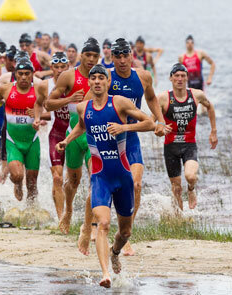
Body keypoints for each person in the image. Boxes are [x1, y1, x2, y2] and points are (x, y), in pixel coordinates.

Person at [56, 64, 155, 288]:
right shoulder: (83, 107)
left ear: (108, 82)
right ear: (90, 83)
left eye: (102, 78)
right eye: (94, 78)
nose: (98, 81)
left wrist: (124, 129)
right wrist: (67, 140)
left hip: (123, 177)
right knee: (103, 223)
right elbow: (81, 127)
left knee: (125, 231)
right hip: (100, 177)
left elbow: (149, 123)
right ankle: (105, 274)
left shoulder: (119, 102)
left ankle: (115, 252)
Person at [82, 38, 168, 256]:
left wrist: (159, 121)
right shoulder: (106, 77)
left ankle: (125, 233)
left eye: (125, 56)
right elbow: (87, 105)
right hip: (106, 142)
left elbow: (151, 98)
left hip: (130, 139)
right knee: (99, 184)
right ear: (111, 57)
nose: (121, 61)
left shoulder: (143, 76)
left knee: (136, 184)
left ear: (131, 56)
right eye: (116, 56)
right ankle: (89, 227)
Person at [45, 37, 101, 236]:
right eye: (88, 55)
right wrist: (69, 99)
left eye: (95, 56)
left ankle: (92, 226)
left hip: (95, 137)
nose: (91, 59)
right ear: (81, 55)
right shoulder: (69, 77)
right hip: (74, 137)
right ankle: (68, 210)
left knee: (96, 180)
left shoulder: (103, 77)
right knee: (73, 183)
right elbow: (48, 105)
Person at [155, 63, 217, 211]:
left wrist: (213, 130)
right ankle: (179, 217)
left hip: (189, 145)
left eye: (183, 76)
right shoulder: (163, 98)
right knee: (176, 188)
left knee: (190, 176)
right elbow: (152, 122)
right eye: (176, 76)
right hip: (170, 147)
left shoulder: (196, 95)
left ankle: (191, 189)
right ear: (171, 78)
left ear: (187, 78)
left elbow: (210, 106)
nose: (180, 79)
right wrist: (159, 129)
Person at [0, 58, 47, 204]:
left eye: (27, 73)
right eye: (20, 74)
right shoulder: (6, 89)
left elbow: (49, 112)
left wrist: (38, 117)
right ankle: (17, 184)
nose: (24, 77)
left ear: (32, 74)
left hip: (32, 142)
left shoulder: (39, 90)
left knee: (32, 183)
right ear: (15, 74)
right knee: (18, 175)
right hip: (13, 141)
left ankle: (31, 211)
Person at [34, 52, 70, 219]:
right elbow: (38, 104)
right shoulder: (44, 85)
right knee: (57, 177)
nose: (60, 70)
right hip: (55, 135)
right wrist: (36, 118)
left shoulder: (74, 84)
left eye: (63, 67)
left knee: (72, 180)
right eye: (56, 67)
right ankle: (60, 218)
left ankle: (69, 209)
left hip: (74, 135)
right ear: (51, 68)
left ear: (68, 67)